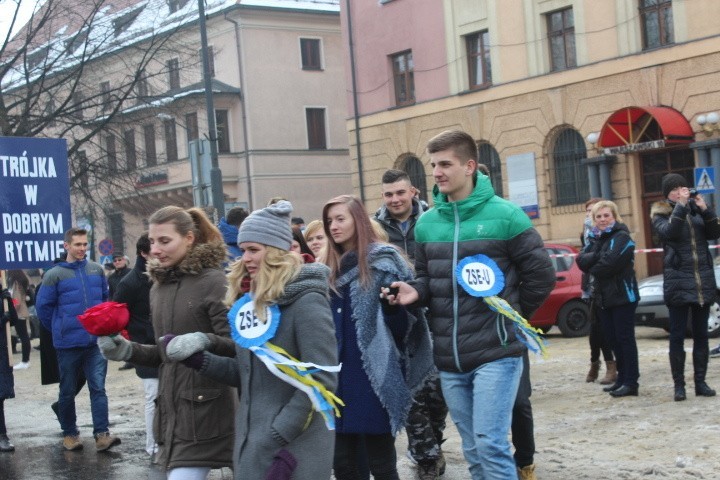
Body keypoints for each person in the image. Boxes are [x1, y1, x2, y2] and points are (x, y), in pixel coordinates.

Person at [385, 130, 555, 480]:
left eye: (445, 164)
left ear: (470, 166)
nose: (437, 172)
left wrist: (510, 318)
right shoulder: (427, 223)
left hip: (497, 353)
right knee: (474, 450)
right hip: (449, 359)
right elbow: (427, 279)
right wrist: (414, 292)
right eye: (433, 165)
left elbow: (541, 276)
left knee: (490, 444)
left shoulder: (507, 215)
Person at [165, 200, 339, 479]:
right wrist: (200, 360)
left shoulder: (307, 301)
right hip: (254, 443)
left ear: (275, 251)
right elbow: (250, 374)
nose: (244, 258)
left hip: (294, 451)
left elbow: (321, 380)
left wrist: (278, 435)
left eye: (253, 250)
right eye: (243, 249)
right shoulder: (253, 304)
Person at [97, 206, 235, 479]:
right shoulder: (158, 286)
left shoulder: (214, 281)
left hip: (210, 412)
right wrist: (127, 350)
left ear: (189, 238)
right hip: (172, 415)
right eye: (152, 241)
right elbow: (165, 353)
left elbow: (237, 348)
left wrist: (202, 340)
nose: (156, 249)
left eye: (165, 241)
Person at [324, 194, 434, 480]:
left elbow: (404, 332)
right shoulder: (327, 270)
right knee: (343, 464)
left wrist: (391, 307)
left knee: (381, 463)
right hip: (334, 377)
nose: (333, 226)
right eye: (329, 221)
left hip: (372, 373)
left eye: (340, 219)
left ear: (358, 220)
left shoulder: (384, 260)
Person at [375, 169, 448, 480]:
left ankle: (434, 440)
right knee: (411, 391)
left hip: (435, 316)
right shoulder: (374, 228)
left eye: (400, 193)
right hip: (397, 321)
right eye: (389, 194)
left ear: (413, 192)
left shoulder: (433, 221)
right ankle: (426, 456)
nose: (395, 199)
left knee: (439, 393)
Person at [34, 227, 120, 452]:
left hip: (95, 342)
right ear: (66, 246)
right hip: (68, 343)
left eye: (85, 244)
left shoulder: (96, 270)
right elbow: (43, 308)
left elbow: (103, 300)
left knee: (98, 388)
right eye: (77, 245)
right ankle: (70, 434)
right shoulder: (54, 275)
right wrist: (58, 328)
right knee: (67, 390)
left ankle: (102, 434)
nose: (82, 248)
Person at [651, 173, 720, 401]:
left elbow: (714, 233)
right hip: (678, 282)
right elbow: (669, 232)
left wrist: (705, 210)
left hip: (701, 280)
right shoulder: (661, 213)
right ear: (668, 193)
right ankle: (679, 386)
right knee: (677, 336)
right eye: (676, 188)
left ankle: (700, 382)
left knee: (701, 335)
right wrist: (680, 207)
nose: (682, 191)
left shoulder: (694, 210)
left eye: (683, 187)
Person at [577, 200, 640, 398]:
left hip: (623, 296)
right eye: (599, 216)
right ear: (594, 220)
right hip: (603, 298)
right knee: (613, 341)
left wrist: (593, 262)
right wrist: (596, 259)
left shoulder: (622, 236)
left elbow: (609, 264)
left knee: (625, 339)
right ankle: (621, 379)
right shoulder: (596, 238)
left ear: (614, 216)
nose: (603, 220)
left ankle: (631, 381)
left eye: (606, 215)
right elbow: (580, 260)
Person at [112, 233, 158, 456]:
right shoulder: (129, 282)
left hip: (167, 342)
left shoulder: (165, 274)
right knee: (153, 396)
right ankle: (152, 445)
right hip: (145, 346)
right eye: (154, 247)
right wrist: (129, 338)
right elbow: (115, 312)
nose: (159, 251)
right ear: (143, 253)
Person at [580, 198, 617, 385]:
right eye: (588, 211)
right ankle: (595, 363)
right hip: (590, 288)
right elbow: (582, 259)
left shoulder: (608, 234)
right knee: (594, 331)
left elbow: (601, 260)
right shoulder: (588, 234)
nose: (589, 214)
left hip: (606, 288)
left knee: (605, 330)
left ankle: (612, 365)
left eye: (591, 211)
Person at [1, 284, 17, 452]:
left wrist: (8, 301)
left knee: (0, 395)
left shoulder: (1, 293)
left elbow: (12, 319)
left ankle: (2, 434)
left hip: (2, 351)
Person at [7, 270, 32, 370]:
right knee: (24, 336)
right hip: (22, 310)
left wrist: (11, 310)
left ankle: (25, 361)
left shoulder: (16, 283)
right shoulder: (21, 281)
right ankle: (25, 360)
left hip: (19, 312)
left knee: (23, 336)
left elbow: (16, 300)